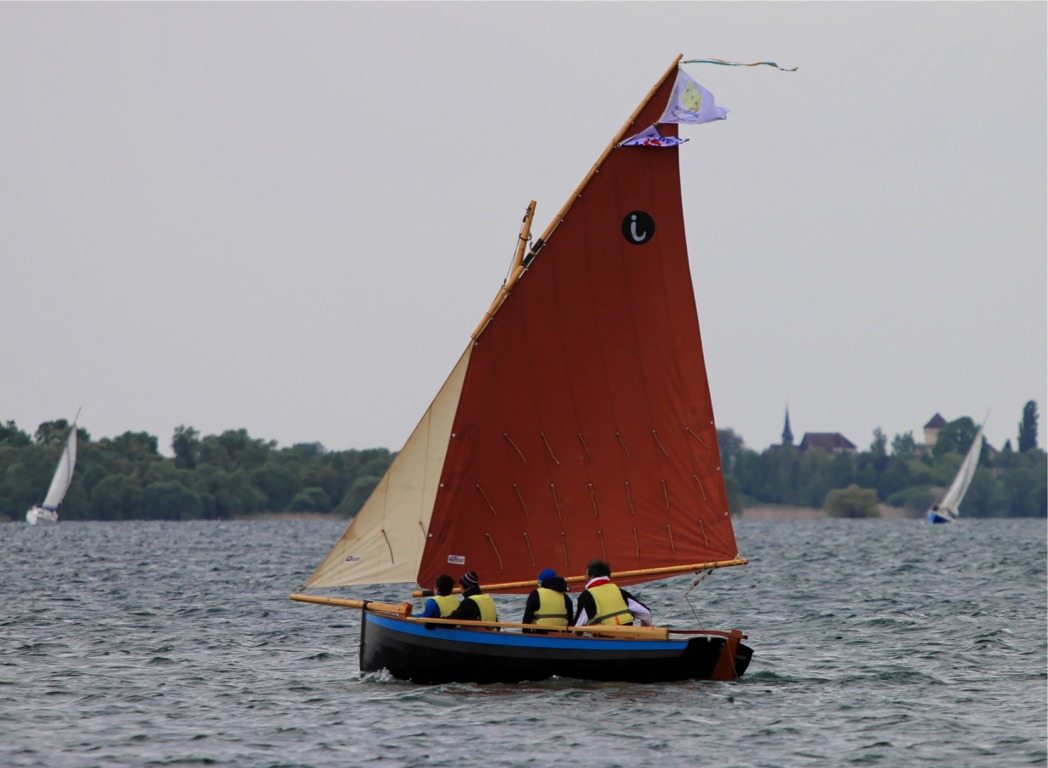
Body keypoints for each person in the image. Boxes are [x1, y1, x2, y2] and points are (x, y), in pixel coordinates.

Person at [573, 559, 652, 627]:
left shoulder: (585, 596)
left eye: (586, 574)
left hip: (604, 640)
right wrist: (646, 630)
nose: (584, 577)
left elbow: (577, 626)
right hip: (627, 638)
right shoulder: (620, 592)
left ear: (592, 576)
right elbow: (646, 613)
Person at [521, 568, 573, 633]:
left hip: (540, 635)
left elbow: (527, 620)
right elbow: (571, 622)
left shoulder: (535, 594)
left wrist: (527, 636)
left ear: (542, 582)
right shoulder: (565, 597)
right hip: (561, 636)